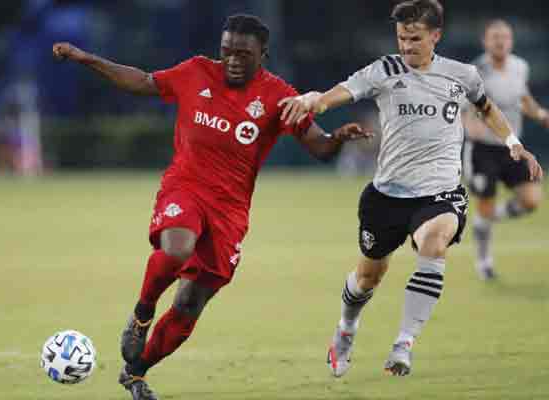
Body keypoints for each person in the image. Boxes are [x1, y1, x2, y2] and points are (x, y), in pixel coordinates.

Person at [53, 14, 371, 400]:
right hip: (184, 188)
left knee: (189, 303)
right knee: (176, 249)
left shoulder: (277, 96)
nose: (233, 60)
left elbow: (319, 147)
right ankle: (141, 314)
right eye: (227, 52)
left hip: (230, 214)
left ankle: (135, 373)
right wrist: (86, 58)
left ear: (263, 54)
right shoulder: (196, 72)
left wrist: (338, 137)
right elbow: (143, 82)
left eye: (243, 53)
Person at [279, 0, 543, 377]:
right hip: (387, 195)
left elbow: (485, 108)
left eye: (415, 39)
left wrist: (513, 143)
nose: (406, 46)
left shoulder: (462, 74)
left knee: (434, 244)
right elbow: (343, 91)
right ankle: (346, 329)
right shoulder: (385, 69)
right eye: (401, 37)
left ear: (436, 36)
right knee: (369, 277)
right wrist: (314, 101)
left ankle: (404, 344)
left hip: (440, 192)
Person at [463, 19, 549, 280]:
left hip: (513, 148)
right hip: (482, 150)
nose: (500, 41)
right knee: (485, 205)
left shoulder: (520, 67)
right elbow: (461, 107)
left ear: (511, 41)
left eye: (505, 37)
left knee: (531, 200)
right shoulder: (475, 70)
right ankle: (484, 262)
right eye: (495, 37)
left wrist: (541, 114)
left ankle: (486, 220)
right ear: (485, 41)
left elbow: (522, 98)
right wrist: (469, 127)